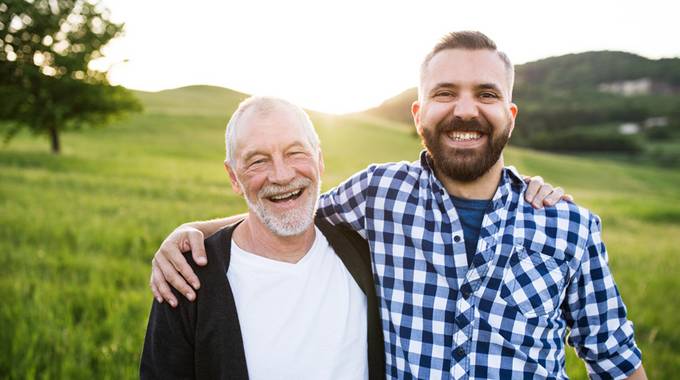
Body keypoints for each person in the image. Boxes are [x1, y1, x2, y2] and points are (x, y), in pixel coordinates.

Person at [150, 31, 647, 379]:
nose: (465, 109)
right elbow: (290, 209)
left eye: (487, 94)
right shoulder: (379, 195)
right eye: (445, 93)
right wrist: (191, 230)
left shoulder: (567, 226)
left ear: (509, 115)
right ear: (419, 113)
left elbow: (617, 364)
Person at [140, 97, 385, 379]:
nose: (281, 175)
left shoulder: (364, 254)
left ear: (319, 160)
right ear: (233, 177)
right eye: (258, 161)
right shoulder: (187, 280)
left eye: (295, 153)